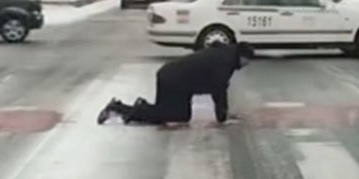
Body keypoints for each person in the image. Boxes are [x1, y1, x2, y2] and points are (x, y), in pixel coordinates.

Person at [97, 42, 255, 126]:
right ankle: (120, 108)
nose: (246, 65)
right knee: (173, 115)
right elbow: (219, 90)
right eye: (247, 61)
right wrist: (223, 117)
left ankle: (139, 108)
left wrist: (224, 114)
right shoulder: (225, 62)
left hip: (176, 78)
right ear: (242, 56)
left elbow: (219, 87)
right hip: (173, 80)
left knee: (177, 115)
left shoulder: (225, 55)